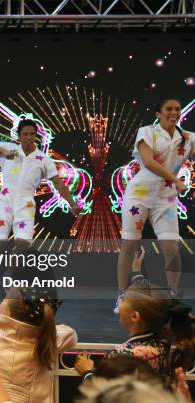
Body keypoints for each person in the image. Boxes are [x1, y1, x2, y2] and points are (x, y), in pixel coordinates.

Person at [0, 119, 81, 296]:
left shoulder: (44, 159)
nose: (28, 137)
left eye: (32, 134)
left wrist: (72, 203)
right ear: (19, 136)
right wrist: (2, 151)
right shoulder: (9, 148)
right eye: (25, 134)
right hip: (6, 200)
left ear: (36, 137)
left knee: (23, 244)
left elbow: (58, 183)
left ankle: (9, 277)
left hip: (26, 203)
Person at [115, 98, 194, 313]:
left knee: (171, 247)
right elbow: (149, 162)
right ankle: (122, 294)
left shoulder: (188, 138)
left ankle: (173, 296)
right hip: (139, 195)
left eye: (177, 109)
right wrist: (176, 180)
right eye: (169, 109)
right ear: (158, 113)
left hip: (165, 199)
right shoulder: (147, 132)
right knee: (130, 245)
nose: (174, 113)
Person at [75, 279, 194, 385]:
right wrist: (136, 271)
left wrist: (87, 372)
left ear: (134, 316)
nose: (120, 302)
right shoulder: (165, 344)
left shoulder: (121, 354)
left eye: (124, 299)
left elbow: (103, 393)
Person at [0, 288, 77, 402]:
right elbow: (71, 334)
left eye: (3, 300)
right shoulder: (49, 339)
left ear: (8, 313)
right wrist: (44, 327)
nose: (1, 302)